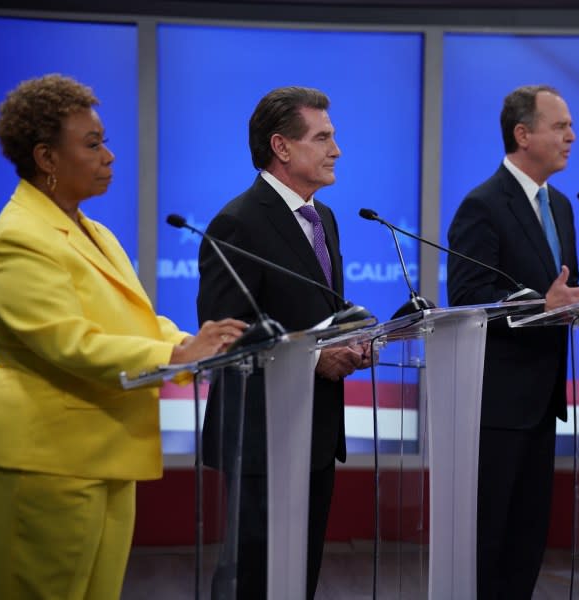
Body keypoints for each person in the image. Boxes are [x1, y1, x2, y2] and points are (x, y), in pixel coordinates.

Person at [0, 74, 246, 600]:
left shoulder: (93, 230)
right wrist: (177, 353)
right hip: (44, 459)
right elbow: (69, 342)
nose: (109, 156)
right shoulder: (19, 237)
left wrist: (200, 342)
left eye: (105, 141)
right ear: (47, 158)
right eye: (92, 145)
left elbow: (130, 323)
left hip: (101, 450)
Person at [197, 86, 372, 599]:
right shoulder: (238, 222)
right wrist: (316, 359)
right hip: (262, 436)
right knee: (254, 578)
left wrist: (357, 339)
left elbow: (322, 313)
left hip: (315, 429)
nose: (336, 150)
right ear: (282, 147)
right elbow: (224, 331)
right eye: (323, 138)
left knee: (299, 578)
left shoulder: (325, 219)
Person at [446, 84, 579, 599]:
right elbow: (468, 299)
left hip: (543, 401)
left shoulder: (562, 206)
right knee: (488, 539)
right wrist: (541, 306)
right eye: (560, 126)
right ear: (523, 135)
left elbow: (560, 293)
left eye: (570, 126)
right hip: (495, 403)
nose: (573, 136)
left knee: (527, 539)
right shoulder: (482, 205)